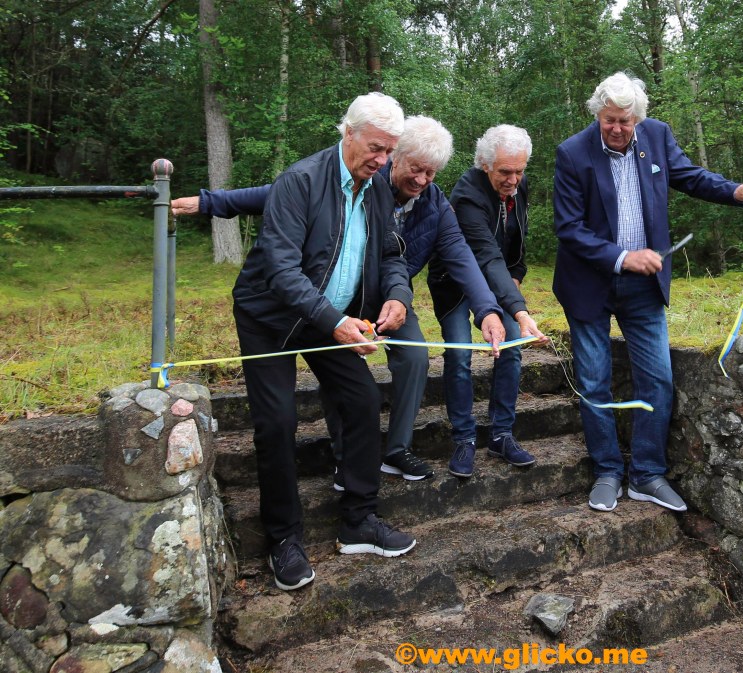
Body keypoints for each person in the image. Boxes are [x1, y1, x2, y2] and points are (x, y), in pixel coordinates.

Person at [173, 117, 543, 484]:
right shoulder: (361, 181)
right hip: (344, 293)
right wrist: (209, 203)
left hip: (393, 295)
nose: (421, 180)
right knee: (343, 366)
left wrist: (489, 311)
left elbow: (464, 256)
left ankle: (397, 449)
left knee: (415, 354)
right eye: (415, 169)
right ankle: (343, 455)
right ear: (395, 158)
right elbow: (277, 193)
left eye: (430, 173)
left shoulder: (435, 205)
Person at [552, 73, 743, 513]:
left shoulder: (657, 136)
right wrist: (621, 257)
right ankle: (608, 471)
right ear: (598, 114)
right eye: (609, 120)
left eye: (625, 122)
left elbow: (688, 176)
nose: (617, 128)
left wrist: (732, 190)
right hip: (589, 285)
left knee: (659, 379)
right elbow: (569, 228)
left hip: (644, 285)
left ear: (639, 119)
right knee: (594, 381)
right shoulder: (572, 153)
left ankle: (648, 474)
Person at [230, 92, 419, 591]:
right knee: (277, 421)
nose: (382, 161)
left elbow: (392, 254)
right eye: (375, 148)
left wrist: (398, 295)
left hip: (325, 320)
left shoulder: (377, 189)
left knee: (361, 399)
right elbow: (280, 270)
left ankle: (359, 519)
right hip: (269, 317)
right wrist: (332, 318)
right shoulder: (300, 182)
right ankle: (283, 538)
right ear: (348, 133)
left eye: (389, 152)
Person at [430, 125, 549, 479]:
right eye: (505, 172)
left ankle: (501, 434)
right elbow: (485, 254)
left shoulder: (518, 185)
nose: (513, 179)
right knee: (459, 352)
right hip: (455, 282)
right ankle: (464, 438)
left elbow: (515, 243)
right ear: (485, 166)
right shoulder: (467, 197)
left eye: (519, 170)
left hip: (497, 280)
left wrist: (517, 277)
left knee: (512, 345)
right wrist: (520, 308)